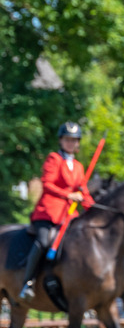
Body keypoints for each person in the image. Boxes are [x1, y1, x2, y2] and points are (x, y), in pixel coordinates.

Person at [19, 121, 95, 300]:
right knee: (44, 242)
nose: (70, 143)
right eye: (67, 139)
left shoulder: (78, 166)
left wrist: (94, 209)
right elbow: (48, 184)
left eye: (74, 140)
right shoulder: (54, 158)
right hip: (48, 212)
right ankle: (28, 282)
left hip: (68, 216)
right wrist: (69, 195)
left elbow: (83, 190)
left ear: (77, 143)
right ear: (61, 141)